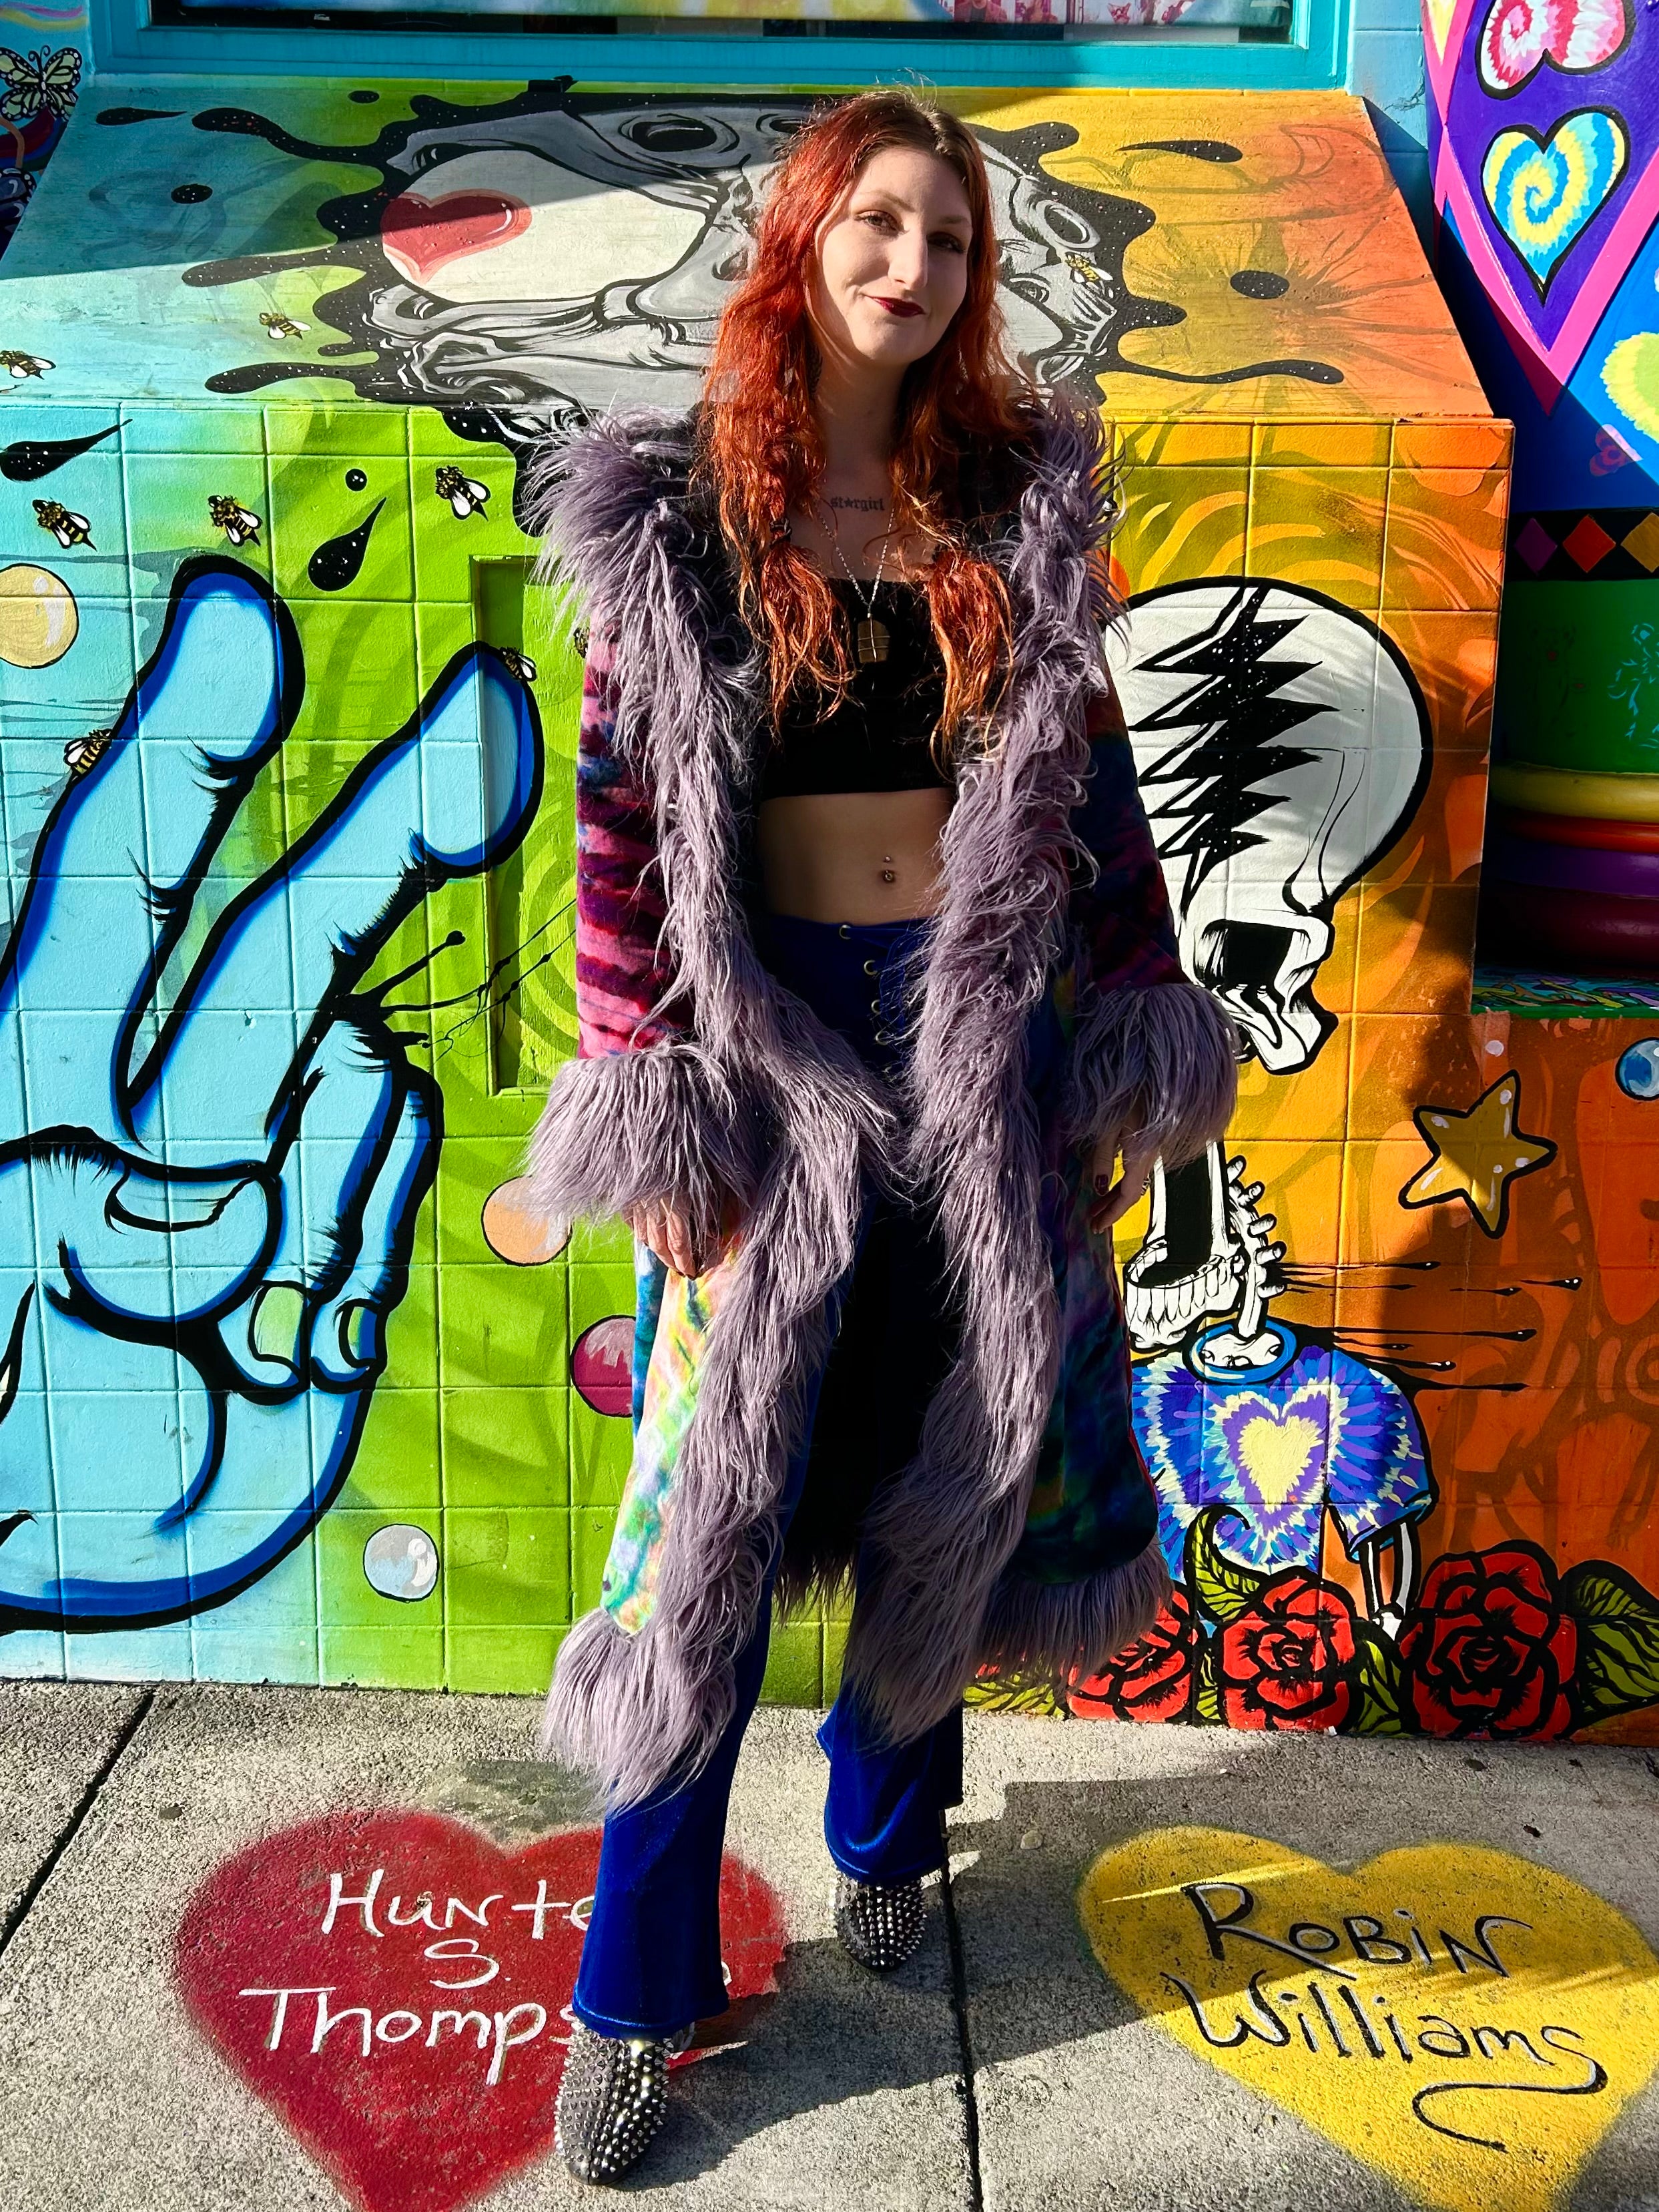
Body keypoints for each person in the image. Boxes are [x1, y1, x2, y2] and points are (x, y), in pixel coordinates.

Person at [521, 87, 1239, 2184]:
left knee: (962, 1463)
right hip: (772, 1072)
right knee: (708, 1538)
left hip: (982, 1047)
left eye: (948, 237)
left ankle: (889, 1827)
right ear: (806, 238)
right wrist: (660, 1107)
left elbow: (1099, 810)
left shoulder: (1010, 508)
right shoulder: (677, 516)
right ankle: (633, 1991)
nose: (912, 265)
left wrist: (1122, 1049)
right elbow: (624, 841)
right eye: (880, 224)